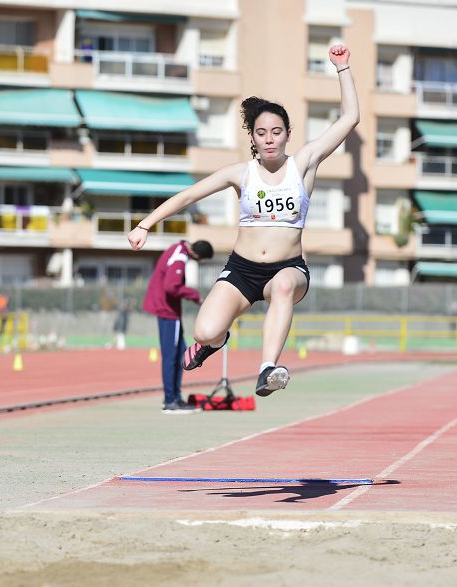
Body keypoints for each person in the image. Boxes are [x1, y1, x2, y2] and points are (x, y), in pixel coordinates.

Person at [129, 44, 358, 397]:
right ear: (252, 137)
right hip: (242, 269)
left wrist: (342, 68)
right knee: (205, 331)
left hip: (289, 267)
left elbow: (350, 118)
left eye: (277, 132)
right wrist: (146, 223)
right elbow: (190, 195)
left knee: (282, 287)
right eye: (262, 133)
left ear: (287, 134)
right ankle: (212, 344)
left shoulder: (304, 164)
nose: (270, 139)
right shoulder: (241, 174)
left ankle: (268, 368)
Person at [142, 239, 214, 413]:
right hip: (167, 311)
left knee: (181, 352)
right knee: (172, 356)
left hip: (168, 309)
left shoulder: (178, 248)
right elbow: (172, 287)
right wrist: (195, 295)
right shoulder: (180, 257)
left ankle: (175, 397)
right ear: (197, 255)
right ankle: (170, 401)